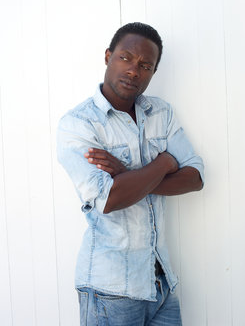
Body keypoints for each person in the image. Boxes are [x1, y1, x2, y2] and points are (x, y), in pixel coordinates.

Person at [57, 22, 204, 326]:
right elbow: (110, 198)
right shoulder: (79, 124)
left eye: (145, 65)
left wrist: (128, 174)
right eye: (126, 58)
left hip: (161, 283)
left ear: (152, 73)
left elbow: (195, 177)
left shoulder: (161, 113)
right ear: (109, 55)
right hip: (111, 291)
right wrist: (163, 164)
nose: (134, 70)